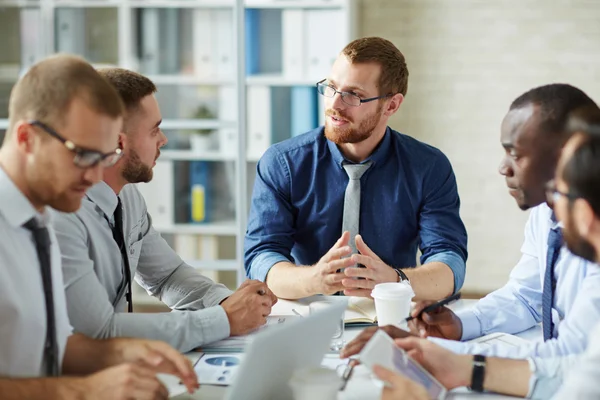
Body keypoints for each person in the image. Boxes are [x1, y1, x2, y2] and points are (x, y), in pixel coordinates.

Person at [342, 84, 600, 360]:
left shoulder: (592, 234)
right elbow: (526, 297)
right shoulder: (545, 215)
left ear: (567, 155)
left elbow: (572, 355)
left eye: (516, 154)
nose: (503, 168)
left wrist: (440, 353)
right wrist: (460, 325)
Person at [0, 54, 197, 399]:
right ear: (27, 139)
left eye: (104, 157)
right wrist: (82, 390)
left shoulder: (41, 215)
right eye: (83, 156)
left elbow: (52, 345)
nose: (94, 178)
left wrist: (123, 352)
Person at [51, 67, 277, 353]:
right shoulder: (61, 216)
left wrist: (226, 302)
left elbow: (167, 276)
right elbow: (99, 331)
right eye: (154, 130)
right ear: (119, 143)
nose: (163, 140)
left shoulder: (128, 195)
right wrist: (223, 319)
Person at [245, 37, 468, 301]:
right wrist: (314, 279)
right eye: (331, 87)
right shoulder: (282, 163)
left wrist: (396, 281)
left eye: (353, 95)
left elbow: (450, 260)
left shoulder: (429, 167)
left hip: (390, 312)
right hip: (305, 311)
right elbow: (261, 257)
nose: (334, 105)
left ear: (392, 105)